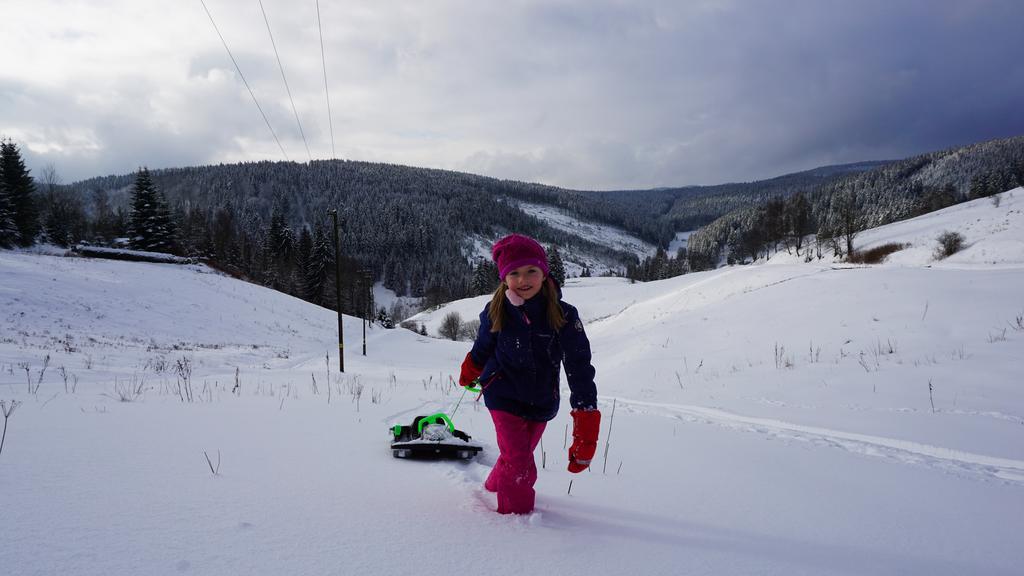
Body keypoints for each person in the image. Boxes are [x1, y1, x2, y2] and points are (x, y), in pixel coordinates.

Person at [459, 234, 601, 515]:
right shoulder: (496, 311)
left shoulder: (564, 315)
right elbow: (483, 346)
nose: (523, 280)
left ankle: (491, 487)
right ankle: (516, 522)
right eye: (514, 273)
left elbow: (579, 367)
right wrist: (471, 369)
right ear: (504, 278)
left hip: (541, 400)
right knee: (520, 460)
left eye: (531, 271)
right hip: (502, 394)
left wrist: (586, 425)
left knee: (515, 457)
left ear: (543, 271)